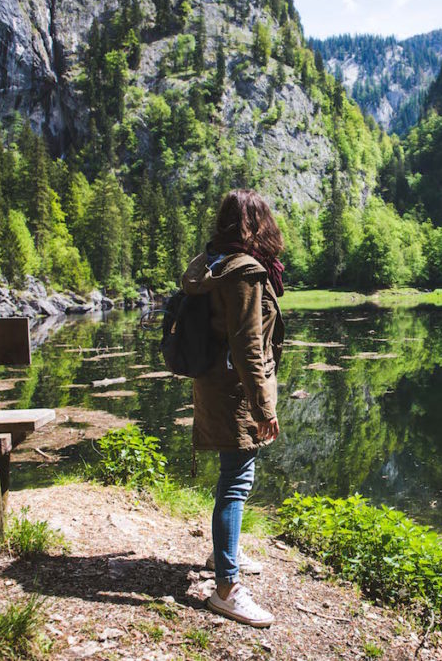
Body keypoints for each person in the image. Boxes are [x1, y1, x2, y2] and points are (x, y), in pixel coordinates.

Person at [180, 189, 285, 627]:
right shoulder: (245, 272)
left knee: (233, 475)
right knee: (237, 480)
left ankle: (224, 553)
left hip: (214, 384)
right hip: (236, 392)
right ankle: (226, 588)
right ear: (259, 224)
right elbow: (247, 345)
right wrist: (263, 407)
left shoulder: (212, 263)